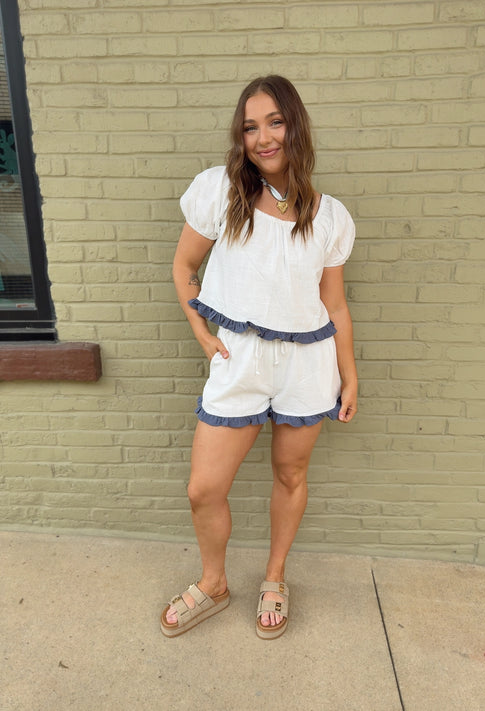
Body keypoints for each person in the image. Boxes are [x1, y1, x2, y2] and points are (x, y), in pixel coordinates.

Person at [160, 75, 357, 640]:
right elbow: (184, 267)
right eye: (251, 127)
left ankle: (275, 576)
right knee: (203, 488)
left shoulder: (329, 216)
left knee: (291, 474)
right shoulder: (221, 192)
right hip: (239, 358)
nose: (263, 138)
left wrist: (349, 376)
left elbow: (334, 304)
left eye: (275, 122)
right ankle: (214, 583)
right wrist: (202, 334)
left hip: (307, 364)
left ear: (296, 126)